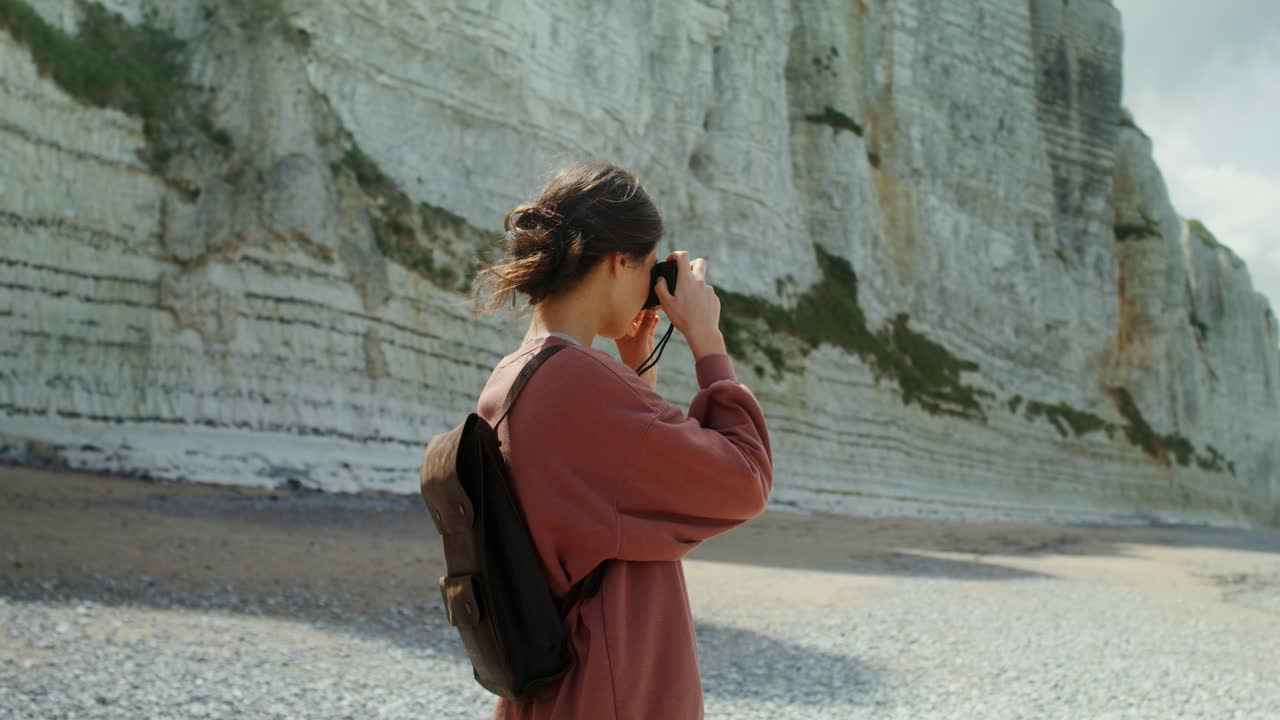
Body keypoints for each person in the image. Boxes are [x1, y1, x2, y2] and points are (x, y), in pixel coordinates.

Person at [468, 161, 773, 720]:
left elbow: (601, 504)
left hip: (557, 689)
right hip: (611, 690)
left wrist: (635, 380)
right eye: (647, 266)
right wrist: (708, 343)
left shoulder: (514, 375)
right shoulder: (580, 381)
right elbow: (744, 480)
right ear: (619, 261)